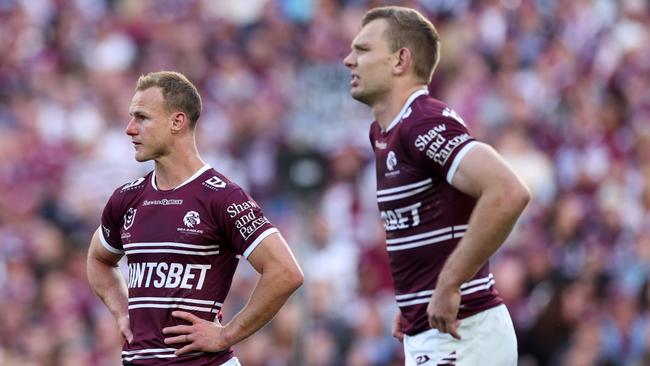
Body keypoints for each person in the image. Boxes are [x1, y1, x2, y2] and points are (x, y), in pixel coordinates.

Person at [343, 6, 530, 366]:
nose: (348, 60)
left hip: (465, 334)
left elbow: (508, 192)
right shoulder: (384, 131)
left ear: (400, 60)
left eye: (363, 50)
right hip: (436, 333)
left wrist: (449, 283)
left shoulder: (421, 123)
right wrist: (415, 301)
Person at [86, 71, 304, 365]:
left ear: (177, 122)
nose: (129, 128)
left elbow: (285, 272)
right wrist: (121, 310)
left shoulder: (222, 197)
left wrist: (226, 335)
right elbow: (99, 258)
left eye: (142, 117)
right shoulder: (126, 198)